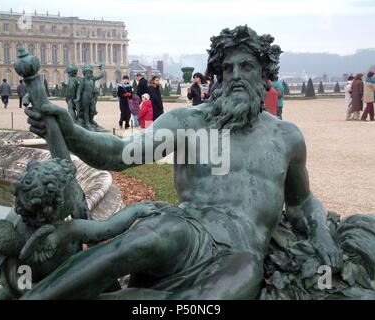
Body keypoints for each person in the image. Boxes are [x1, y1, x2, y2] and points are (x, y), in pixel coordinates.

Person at [24, 25, 341, 300]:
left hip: (241, 252)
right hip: (189, 227)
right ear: (218, 75)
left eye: (246, 67)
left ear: (264, 73)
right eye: (227, 69)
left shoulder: (287, 137)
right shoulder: (189, 122)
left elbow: (301, 203)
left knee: (211, 300)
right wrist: (71, 132)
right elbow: (119, 154)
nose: (236, 76)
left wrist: (321, 233)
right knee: (131, 246)